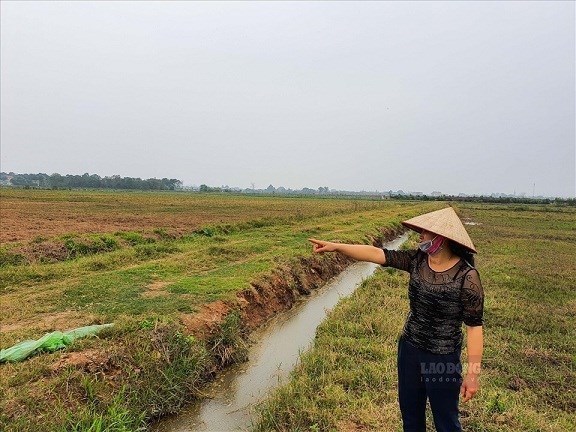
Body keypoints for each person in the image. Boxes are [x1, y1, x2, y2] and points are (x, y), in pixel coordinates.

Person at [309, 207, 484, 432]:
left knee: (446, 422)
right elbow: (376, 254)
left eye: (425, 232)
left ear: (442, 238)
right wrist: (336, 247)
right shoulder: (417, 260)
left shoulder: (467, 277)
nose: (420, 235)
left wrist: (472, 374)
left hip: (442, 359)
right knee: (410, 417)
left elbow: (474, 328)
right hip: (409, 351)